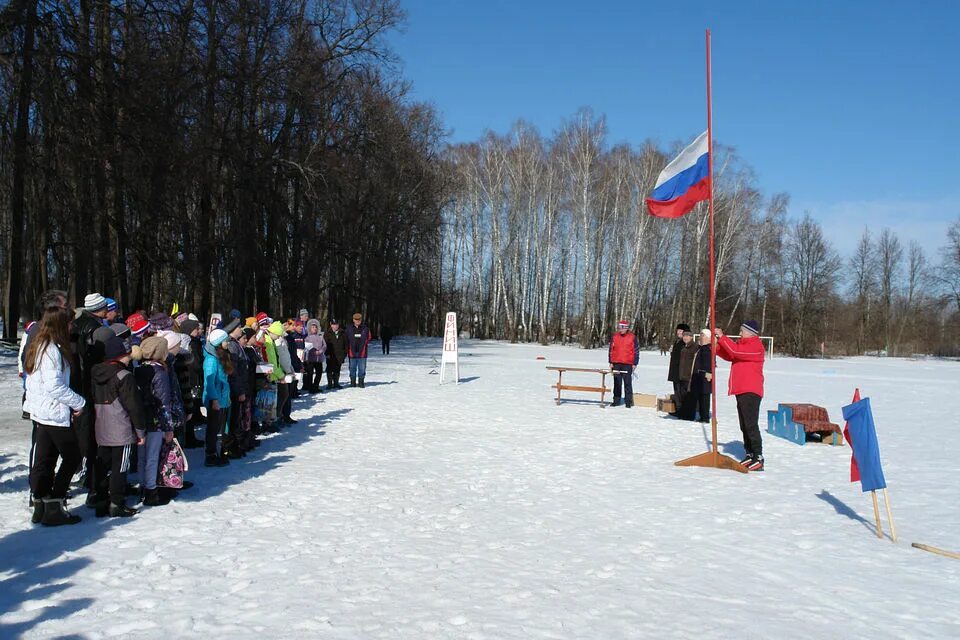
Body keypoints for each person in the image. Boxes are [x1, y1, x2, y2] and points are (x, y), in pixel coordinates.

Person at [23, 307, 86, 526]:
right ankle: (55, 504)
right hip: (52, 411)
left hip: (42, 412)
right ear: (60, 325)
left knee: (45, 458)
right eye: (69, 323)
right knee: (73, 456)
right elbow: (54, 386)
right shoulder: (50, 350)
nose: (72, 327)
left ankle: (41, 501)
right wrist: (79, 402)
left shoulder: (40, 345)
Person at [91, 333, 146, 517]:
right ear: (120, 355)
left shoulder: (96, 373)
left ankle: (100, 499)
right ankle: (116, 502)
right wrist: (140, 431)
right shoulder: (125, 376)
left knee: (102, 465)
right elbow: (134, 407)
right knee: (120, 468)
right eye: (128, 354)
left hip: (101, 427)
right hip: (121, 429)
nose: (130, 358)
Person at [715, 320, 766, 471]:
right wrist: (717, 346)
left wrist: (723, 337)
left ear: (750, 332)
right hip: (741, 390)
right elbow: (731, 354)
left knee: (750, 424)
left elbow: (735, 351)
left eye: (742, 331)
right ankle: (749, 452)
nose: (740, 333)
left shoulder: (756, 346)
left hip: (751, 390)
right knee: (744, 424)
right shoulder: (742, 344)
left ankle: (758, 455)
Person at [134, 336, 176, 506]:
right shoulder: (160, 372)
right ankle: (152, 491)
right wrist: (168, 427)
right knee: (153, 456)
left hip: (140, 419)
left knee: (142, 456)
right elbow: (163, 402)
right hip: (155, 420)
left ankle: (143, 486)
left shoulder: (138, 369)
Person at [202, 329, 233, 466]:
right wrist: (214, 399)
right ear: (219, 343)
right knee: (213, 428)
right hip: (216, 400)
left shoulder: (221, 356)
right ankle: (211, 454)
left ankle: (221, 451)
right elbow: (208, 383)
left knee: (221, 427)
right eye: (225, 340)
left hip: (223, 398)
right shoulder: (211, 360)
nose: (228, 342)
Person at [681, 329, 713, 422]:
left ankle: (705, 417)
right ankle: (702, 416)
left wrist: (709, 374)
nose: (700, 338)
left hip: (705, 376)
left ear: (707, 338)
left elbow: (710, 363)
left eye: (703, 336)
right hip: (698, 376)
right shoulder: (701, 348)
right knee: (700, 396)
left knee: (705, 397)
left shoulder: (708, 349)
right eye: (700, 335)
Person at [608, 320, 639, 408]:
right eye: (619, 327)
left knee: (627, 383)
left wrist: (635, 363)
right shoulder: (615, 337)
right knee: (617, 383)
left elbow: (636, 351)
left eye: (622, 327)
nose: (620, 329)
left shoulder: (632, 337)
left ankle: (628, 401)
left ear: (626, 328)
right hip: (616, 363)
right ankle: (616, 400)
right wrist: (610, 362)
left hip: (627, 364)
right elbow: (611, 350)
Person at [673, 330, 697, 417]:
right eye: (684, 336)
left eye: (687, 336)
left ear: (691, 337)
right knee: (681, 395)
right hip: (681, 375)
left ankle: (689, 414)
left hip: (689, 376)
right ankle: (682, 412)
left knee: (688, 396)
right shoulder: (683, 347)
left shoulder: (695, 347)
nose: (685, 338)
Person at [667, 322, 690, 409]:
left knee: (682, 391)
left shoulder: (686, 343)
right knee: (677, 390)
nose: (678, 332)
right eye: (678, 330)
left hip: (682, 372)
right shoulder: (677, 342)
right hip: (675, 371)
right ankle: (678, 407)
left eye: (681, 331)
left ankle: (682, 408)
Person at [347, 312, 371, 387]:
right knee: (352, 368)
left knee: (362, 368)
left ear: (361, 320)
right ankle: (352, 382)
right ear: (353, 320)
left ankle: (361, 382)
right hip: (352, 352)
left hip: (362, 353)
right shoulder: (349, 329)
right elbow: (346, 339)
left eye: (359, 319)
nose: (357, 321)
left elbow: (369, 337)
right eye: (356, 319)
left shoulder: (365, 329)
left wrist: (364, 344)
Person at [323, 318, 348, 389]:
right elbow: (324, 345)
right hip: (330, 355)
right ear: (331, 325)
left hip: (339, 355)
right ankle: (330, 384)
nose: (335, 326)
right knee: (329, 369)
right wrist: (326, 353)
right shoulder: (327, 333)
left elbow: (346, 344)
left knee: (337, 369)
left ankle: (336, 383)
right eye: (333, 325)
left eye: (336, 324)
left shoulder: (342, 333)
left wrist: (344, 354)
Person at [303, 319, 326, 393]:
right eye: (313, 327)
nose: (314, 329)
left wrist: (320, 351)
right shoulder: (307, 337)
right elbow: (306, 347)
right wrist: (313, 352)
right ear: (310, 328)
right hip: (310, 359)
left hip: (319, 358)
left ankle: (316, 386)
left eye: (315, 327)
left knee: (319, 373)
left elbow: (324, 345)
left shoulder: (320, 336)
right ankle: (310, 387)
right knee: (310, 374)